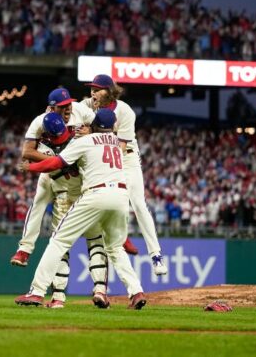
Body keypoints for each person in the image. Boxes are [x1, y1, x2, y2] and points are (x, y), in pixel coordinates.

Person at [14, 109, 147, 310]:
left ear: (94, 124)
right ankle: (136, 292)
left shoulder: (86, 141)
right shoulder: (115, 142)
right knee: (114, 248)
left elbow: (54, 163)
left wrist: (30, 167)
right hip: (121, 197)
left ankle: (37, 292)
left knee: (59, 241)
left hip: (96, 194)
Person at [82, 74, 168, 275]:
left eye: (98, 89)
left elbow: (119, 147)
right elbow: (67, 112)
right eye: (91, 88)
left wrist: (91, 134)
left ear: (109, 91)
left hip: (125, 158)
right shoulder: (86, 105)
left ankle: (156, 255)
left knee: (138, 203)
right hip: (102, 156)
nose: (93, 92)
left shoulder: (125, 111)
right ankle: (122, 238)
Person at [10, 88, 97, 268]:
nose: (68, 109)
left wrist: (91, 131)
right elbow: (27, 152)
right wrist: (57, 161)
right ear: (51, 108)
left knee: (63, 220)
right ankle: (24, 250)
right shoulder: (40, 122)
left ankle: (65, 268)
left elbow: (103, 126)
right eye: (63, 106)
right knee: (38, 203)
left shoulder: (79, 110)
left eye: (69, 104)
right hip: (51, 171)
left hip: (73, 177)